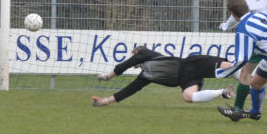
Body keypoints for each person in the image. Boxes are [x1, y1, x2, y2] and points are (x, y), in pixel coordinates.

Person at [91, 45, 235, 107]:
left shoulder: (145, 53)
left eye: (134, 56)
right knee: (188, 97)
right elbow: (128, 91)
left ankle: (248, 85)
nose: (133, 59)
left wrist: (108, 76)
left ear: (138, 53)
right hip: (185, 80)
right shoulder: (145, 76)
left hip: (191, 64)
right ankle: (223, 92)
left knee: (228, 66)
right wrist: (104, 102)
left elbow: (123, 66)